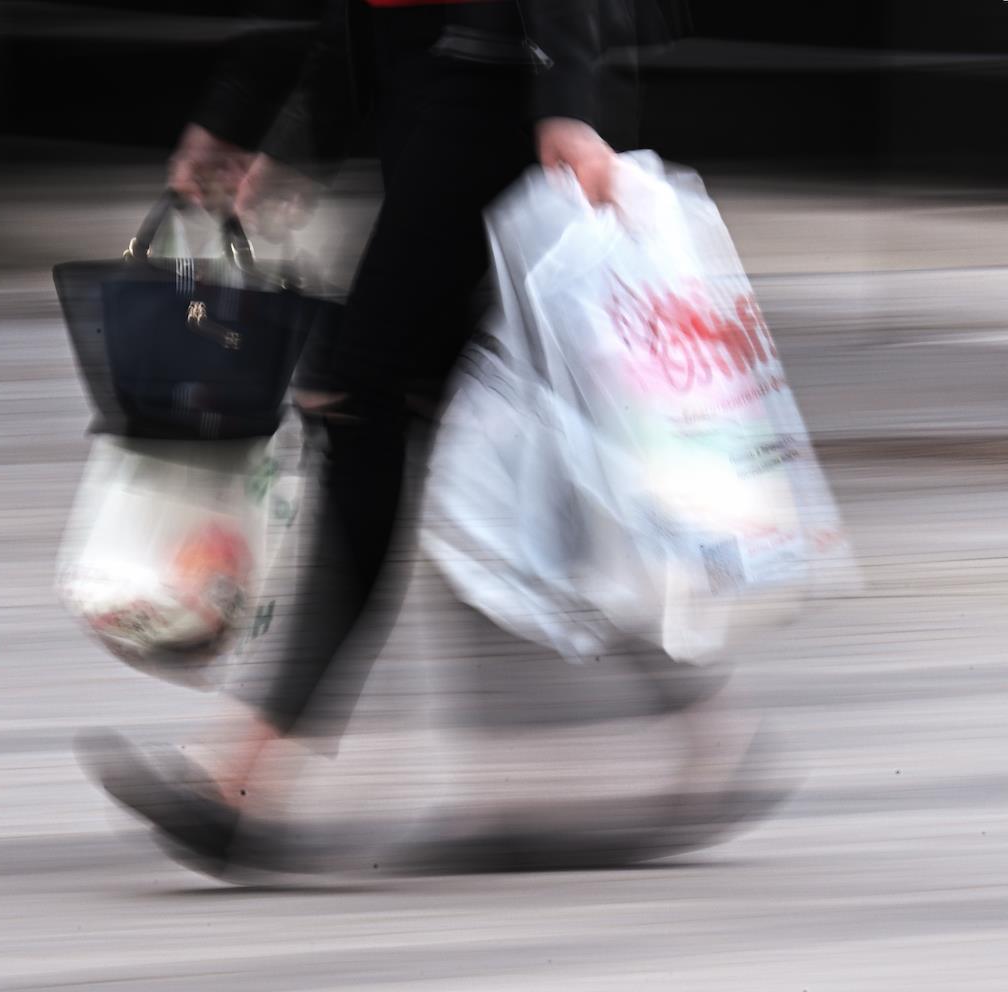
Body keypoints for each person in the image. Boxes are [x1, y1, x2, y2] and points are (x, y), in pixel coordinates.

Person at [84, 0, 769, 879]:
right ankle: (650, 750)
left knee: (360, 398)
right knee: (445, 429)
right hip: (433, 82)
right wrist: (266, 121)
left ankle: (246, 778)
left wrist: (567, 100)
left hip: (495, 89)